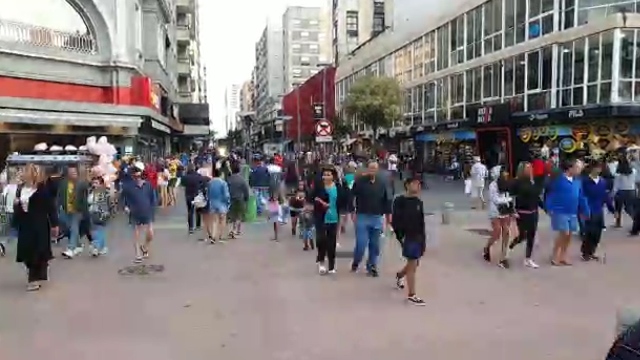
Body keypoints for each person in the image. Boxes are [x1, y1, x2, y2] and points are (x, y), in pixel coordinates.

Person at [14, 164, 59, 291]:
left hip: (39, 225)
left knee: (37, 251)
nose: (23, 174)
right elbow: (18, 206)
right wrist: (17, 205)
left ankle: (33, 279)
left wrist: (55, 224)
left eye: (25, 172)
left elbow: (51, 207)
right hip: (25, 224)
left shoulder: (42, 189)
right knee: (26, 251)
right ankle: (37, 269)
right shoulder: (20, 189)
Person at [351, 161, 392, 277]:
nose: (372, 170)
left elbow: (387, 200)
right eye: (370, 168)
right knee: (361, 243)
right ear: (367, 169)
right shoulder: (360, 182)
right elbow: (352, 196)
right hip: (362, 216)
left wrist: (388, 216)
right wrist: (352, 211)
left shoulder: (382, 183)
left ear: (377, 170)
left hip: (377, 217)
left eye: (375, 168)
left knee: (375, 244)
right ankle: (356, 261)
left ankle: (372, 265)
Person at [545, 159, 589, 266]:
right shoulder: (558, 180)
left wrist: (585, 209)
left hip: (572, 211)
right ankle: (555, 255)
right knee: (564, 232)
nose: (579, 170)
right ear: (570, 168)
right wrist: (549, 207)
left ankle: (563, 255)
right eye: (578, 168)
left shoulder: (577, 181)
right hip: (559, 210)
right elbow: (550, 194)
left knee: (569, 235)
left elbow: (581, 196)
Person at [392, 176, 426, 306]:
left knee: (414, 263)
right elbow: (396, 220)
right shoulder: (400, 200)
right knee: (412, 264)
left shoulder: (418, 202)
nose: (418, 186)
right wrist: (400, 236)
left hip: (418, 236)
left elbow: (421, 222)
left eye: (419, 184)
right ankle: (412, 294)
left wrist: (423, 240)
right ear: (407, 185)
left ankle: (400, 275)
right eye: (415, 184)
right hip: (408, 236)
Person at [308, 167, 346, 275]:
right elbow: (311, 198)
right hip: (321, 218)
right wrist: (319, 202)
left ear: (333, 176)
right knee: (321, 240)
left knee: (332, 243)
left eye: (329, 174)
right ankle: (321, 263)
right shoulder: (319, 187)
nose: (326, 177)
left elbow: (343, 199)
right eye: (324, 174)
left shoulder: (338, 187)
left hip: (333, 218)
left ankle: (331, 265)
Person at [507, 162, 544, 268]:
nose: (530, 169)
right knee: (522, 235)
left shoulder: (533, 181)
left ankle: (528, 259)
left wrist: (545, 208)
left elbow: (537, 197)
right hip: (522, 212)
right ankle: (509, 247)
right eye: (527, 168)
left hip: (534, 211)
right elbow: (510, 197)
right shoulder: (516, 182)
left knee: (531, 235)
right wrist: (512, 211)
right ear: (521, 170)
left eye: (530, 167)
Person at [121, 163, 157, 263]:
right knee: (136, 233)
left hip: (147, 211)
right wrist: (125, 207)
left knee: (150, 234)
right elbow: (122, 199)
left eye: (138, 174)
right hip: (134, 212)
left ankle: (144, 246)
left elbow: (153, 198)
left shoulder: (148, 185)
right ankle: (137, 254)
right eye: (134, 175)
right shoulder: (127, 186)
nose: (136, 177)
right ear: (132, 176)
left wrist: (153, 208)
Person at [483, 167, 515, 268]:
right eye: (503, 172)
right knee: (497, 232)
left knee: (506, 232)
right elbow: (495, 199)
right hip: (495, 211)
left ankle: (504, 257)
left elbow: (510, 196)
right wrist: (507, 200)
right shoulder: (493, 185)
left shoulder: (507, 183)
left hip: (505, 211)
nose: (506, 174)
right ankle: (487, 247)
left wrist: (510, 205)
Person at [581, 160, 614, 261]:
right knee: (589, 232)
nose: (598, 170)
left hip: (599, 210)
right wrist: (582, 209)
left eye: (600, 168)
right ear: (592, 168)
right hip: (589, 209)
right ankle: (586, 252)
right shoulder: (585, 181)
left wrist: (612, 209)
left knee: (597, 233)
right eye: (597, 168)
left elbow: (605, 196)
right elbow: (582, 196)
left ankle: (592, 251)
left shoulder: (602, 182)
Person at [58, 166, 89, 259]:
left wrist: (85, 210)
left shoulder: (81, 183)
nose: (73, 174)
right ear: (68, 173)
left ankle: (71, 249)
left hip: (77, 210)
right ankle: (78, 245)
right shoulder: (63, 183)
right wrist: (58, 206)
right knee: (68, 227)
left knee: (74, 227)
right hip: (66, 209)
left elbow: (86, 195)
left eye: (74, 172)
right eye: (71, 172)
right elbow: (59, 195)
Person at [87, 176, 111, 257]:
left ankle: (96, 248)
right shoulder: (91, 192)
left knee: (98, 231)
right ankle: (103, 247)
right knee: (97, 232)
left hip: (100, 214)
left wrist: (105, 213)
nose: (94, 185)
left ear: (101, 184)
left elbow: (106, 204)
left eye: (96, 183)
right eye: (93, 183)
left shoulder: (103, 193)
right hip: (92, 214)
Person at [206, 167, 230, 243]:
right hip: (222, 203)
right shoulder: (223, 183)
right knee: (222, 220)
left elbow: (208, 194)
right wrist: (228, 202)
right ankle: (221, 236)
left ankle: (213, 236)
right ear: (220, 174)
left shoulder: (210, 183)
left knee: (214, 221)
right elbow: (226, 195)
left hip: (212, 203)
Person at [226, 163, 250, 238]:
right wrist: (246, 198)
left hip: (231, 199)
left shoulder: (228, 179)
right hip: (240, 199)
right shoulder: (242, 179)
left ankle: (235, 230)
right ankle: (235, 230)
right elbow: (246, 190)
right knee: (239, 216)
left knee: (232, 215)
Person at [181, 164, 205, 234]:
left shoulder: (185, 177)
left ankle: (190, 227)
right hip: (197, 195)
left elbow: (182, 184)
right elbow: (202, 183)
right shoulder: (198, 176)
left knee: (190, 211)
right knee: (198, 210)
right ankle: (198, 225)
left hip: (188, 195)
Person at [613, 156, 636, 229]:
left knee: (618, 208)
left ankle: (618, 222)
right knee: (630, 208)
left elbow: (616, 186)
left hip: (621, 191)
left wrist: (613, 193)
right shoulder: (634, 172)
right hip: (631, 190)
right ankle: (635, 220)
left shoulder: (618, 174)